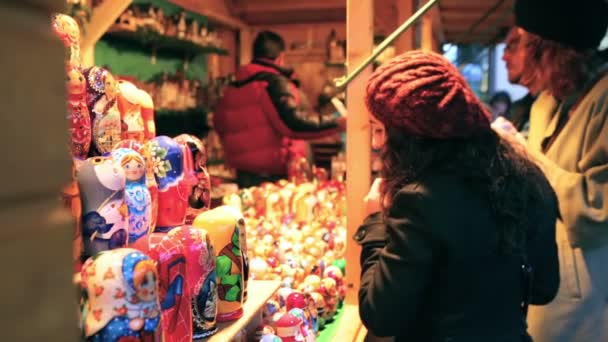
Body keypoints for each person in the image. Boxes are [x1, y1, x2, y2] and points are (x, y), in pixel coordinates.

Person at [355, 50, 560, 341]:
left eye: (379, 130)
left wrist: (376, 221)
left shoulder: (419, 200)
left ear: (412, 136)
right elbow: (543, 289)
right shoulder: (528, 177)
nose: (376, 144)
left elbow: (380, 316)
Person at [492, 0, 608, 341]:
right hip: (544, 281)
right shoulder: (547, 101)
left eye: (520, 42)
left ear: (548, 51)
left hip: (588, 297)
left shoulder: (603, 101)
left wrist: (526, 157)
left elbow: (597, 210)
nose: (509, 55)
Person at [214, 31, 345, 188]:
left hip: (243, 174)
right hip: (271, 177)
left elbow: (219, 123)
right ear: (281, 57)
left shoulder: (234, 85)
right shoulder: (273, 82)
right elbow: (293, 123)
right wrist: (336, 123)